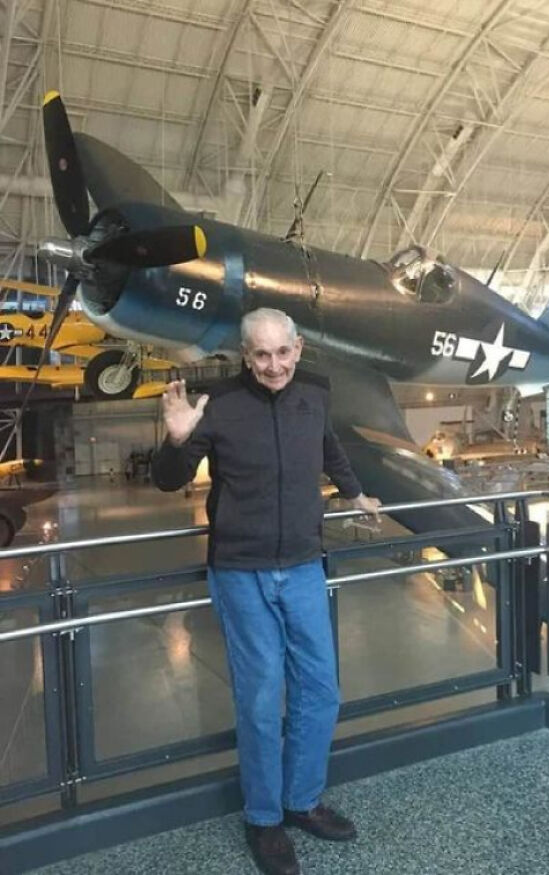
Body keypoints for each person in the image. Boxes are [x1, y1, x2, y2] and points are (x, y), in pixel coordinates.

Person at [151, 307, 380, 875]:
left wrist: (355, 495)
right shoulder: (218, 405)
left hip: (303, 563)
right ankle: (263, 818)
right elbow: (169, 478)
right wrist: (175, 440)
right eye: (261, 354)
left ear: (298, 349)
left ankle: (301, 801)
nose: (274, 365)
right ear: (245, 354)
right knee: (259, 700)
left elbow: (329, 450)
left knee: (321, 689)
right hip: (241, 569)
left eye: (282, 352)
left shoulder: (316, 394)